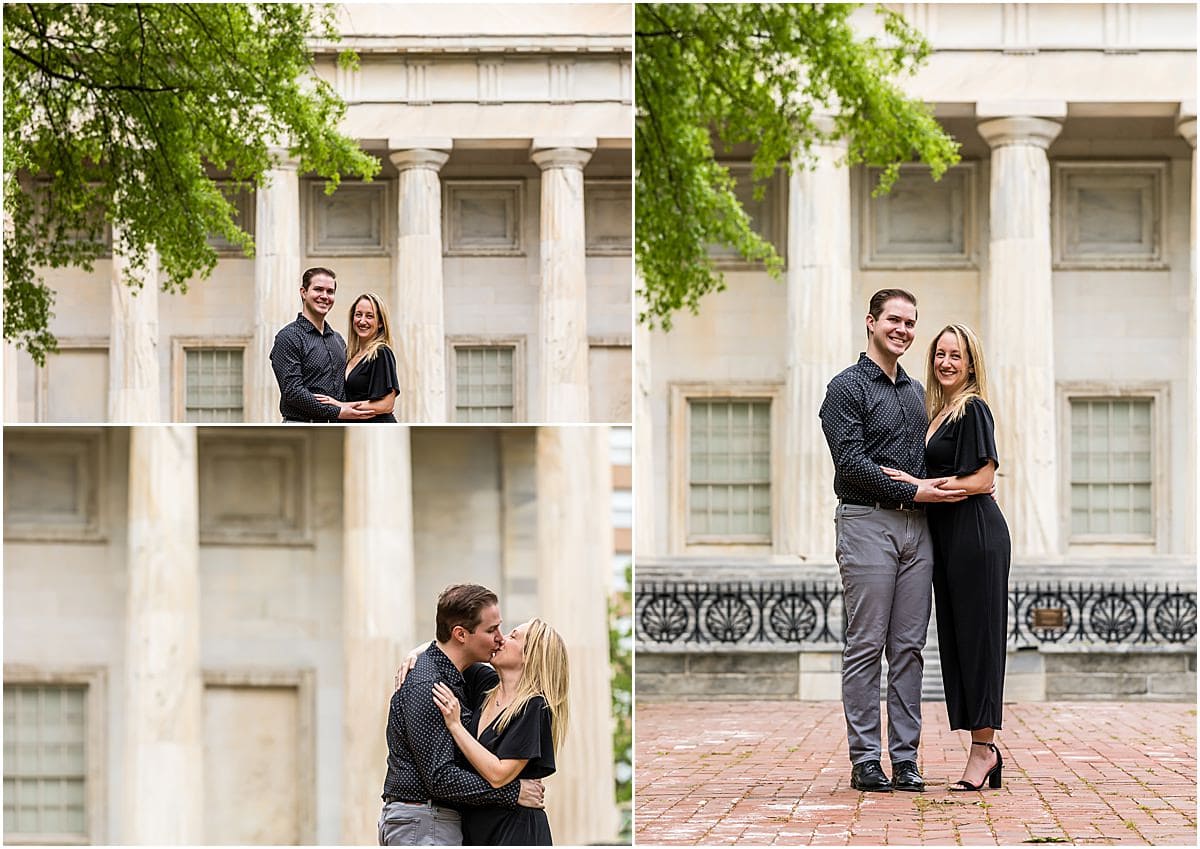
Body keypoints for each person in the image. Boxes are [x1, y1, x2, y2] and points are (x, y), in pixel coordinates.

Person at [818, 288, 967, 794]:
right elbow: (852, 465)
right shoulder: (845, 388)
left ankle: (905, 760)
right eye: (894, 320)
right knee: (865, 645)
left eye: (910, 322)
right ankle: (865, 760)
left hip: (917, 529)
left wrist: (954, 484)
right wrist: (911, 486)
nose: (902, 330)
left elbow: (927, 460)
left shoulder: (915, 393)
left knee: (908, 649)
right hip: (866, 523)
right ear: (871, 322)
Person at [882, 324, 1011, 791]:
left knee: (979, 642)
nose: (946, 362)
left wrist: (927, 489)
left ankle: (984, 751)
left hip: (977, 534)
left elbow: (981, 480)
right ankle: (981, 746)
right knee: (957, 642)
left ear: (971, 362)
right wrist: (910, 482)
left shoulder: (972, 408)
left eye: (956, 355)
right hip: (947, 537)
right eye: (940, 354)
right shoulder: (934, 411)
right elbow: (938, 475)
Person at [379, 585, 545, 846]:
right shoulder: (430, 687)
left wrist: (423, 648)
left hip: (433, 823)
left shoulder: (466, 679)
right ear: (460, 634)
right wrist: (514, 792)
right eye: (491, 630)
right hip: (424, 821)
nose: (499, 638)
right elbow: (441, 779)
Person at [431, 618, 567, 846]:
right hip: (476, 830)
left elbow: (498, 774)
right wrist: (413, 656)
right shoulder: (486, 685)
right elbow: (447, 651)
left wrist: (455, 726)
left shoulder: (534, 706)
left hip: (515, 832)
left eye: (513, 637)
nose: (501, 639)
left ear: (530, 655)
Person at [269, 266, 373, 422]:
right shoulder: (288, 337)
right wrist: (336, 411)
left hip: (339, 426)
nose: (325, 296)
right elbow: (292, 392)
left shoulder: (338, 340)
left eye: (330, 291)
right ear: (303, 292)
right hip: (302, 424)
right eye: (318, 289)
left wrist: (379, 405)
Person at [314, 292, 400, 422]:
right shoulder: (350, 354)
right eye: (358, 315)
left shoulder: (382, 352)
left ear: (381, 323)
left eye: (369, 316)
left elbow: (387, 405)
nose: (362, 321)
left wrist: (340, 406)